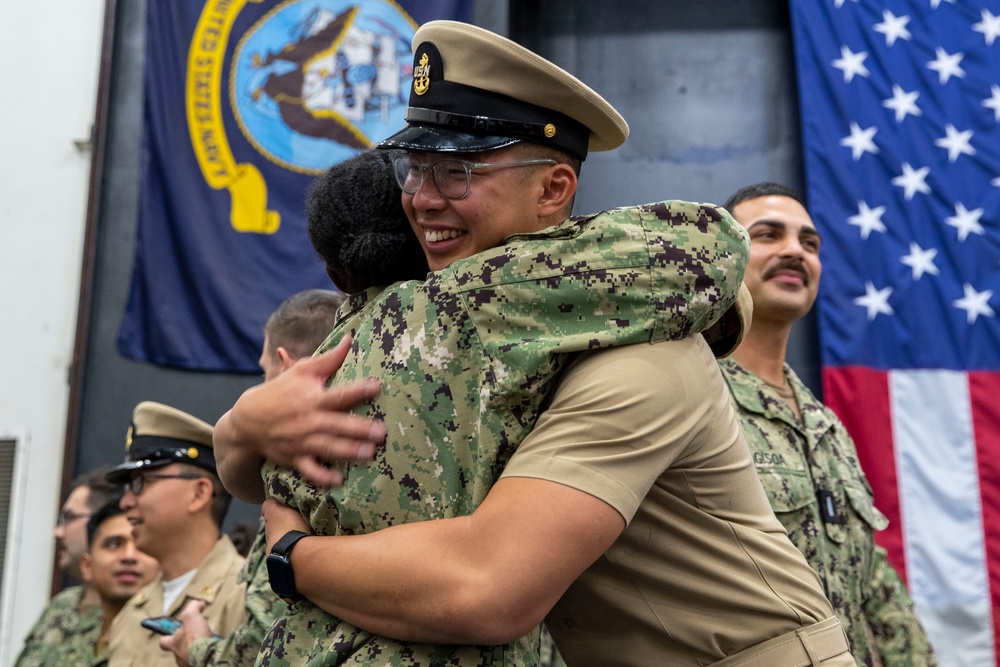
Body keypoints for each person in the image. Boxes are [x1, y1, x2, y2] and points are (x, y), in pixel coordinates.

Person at [218, 21, 852, 666]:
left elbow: (487, 590)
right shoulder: (469, 338)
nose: (425, 201)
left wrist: (289, 556)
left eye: (459, 173)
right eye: (416, 169)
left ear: (553, 190)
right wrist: (249, 424)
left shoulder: (641, 353)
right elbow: (255, 472)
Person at [719, 182, 937, 666]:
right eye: (769, 235)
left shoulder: (825, 427)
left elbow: (870, 578)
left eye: (809, 243)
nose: (795, 251)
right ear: (725, 254)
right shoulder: (692, 398)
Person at [161, 289, 344, 667]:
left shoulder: (290, 470)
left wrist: (196, 647)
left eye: (264, 373)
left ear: (285, 365)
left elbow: (264, 639)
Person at [106, 402, 246, 666]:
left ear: (199, 493)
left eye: (140, 482)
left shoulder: (246, 596)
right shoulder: (131, 613)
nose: (125, 502)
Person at [15, 466, 123, 667]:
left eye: (69, 518)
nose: (58, 532)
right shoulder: (62, 605)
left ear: (102, 521)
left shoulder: (129, 612)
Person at [80, 497, 160, 665]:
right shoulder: (64, 627)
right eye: (114, 544)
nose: (129, 557)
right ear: (87, 566)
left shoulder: (172, 639)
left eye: (140, 545)